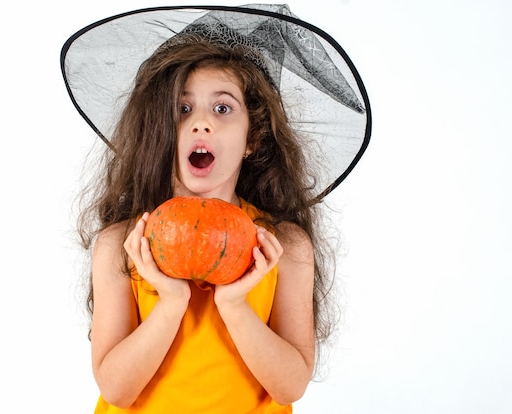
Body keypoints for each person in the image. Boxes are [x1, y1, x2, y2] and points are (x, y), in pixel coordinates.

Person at [61, 4, 371, 413]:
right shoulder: (121, 244)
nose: (201, 123)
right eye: (182, 109)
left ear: (252, 139)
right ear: (159, 131)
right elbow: (116, 389)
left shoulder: (283, 246)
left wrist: (234, 304)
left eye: (222, 108)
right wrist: (171, 301)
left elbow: (291, 385)